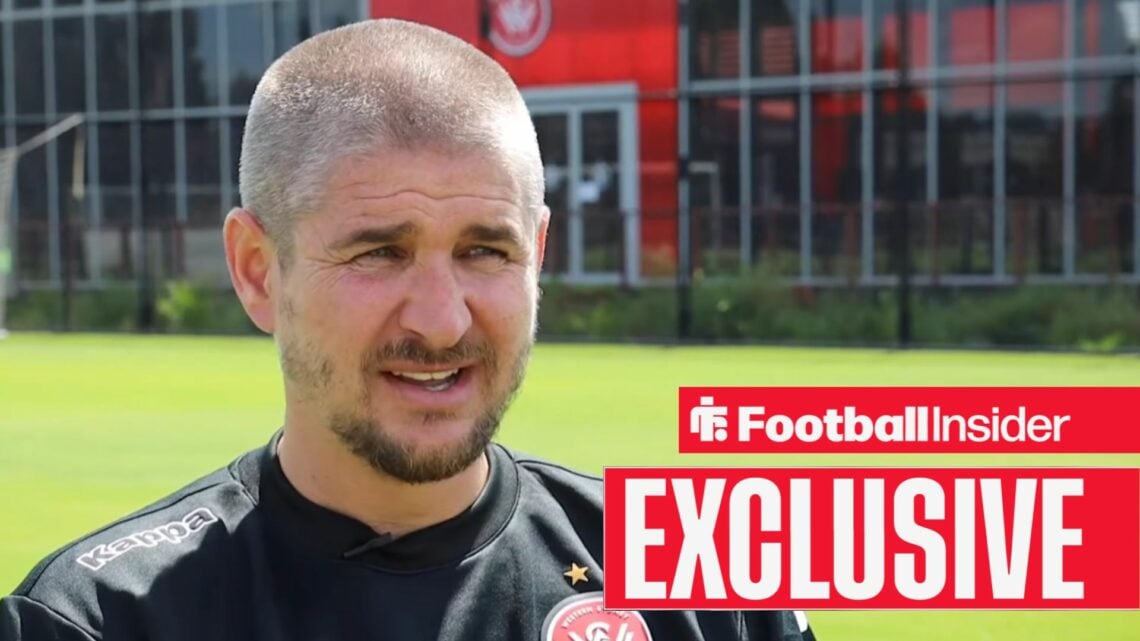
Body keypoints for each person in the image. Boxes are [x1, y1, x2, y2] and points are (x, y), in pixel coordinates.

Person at [0, 19, 816, 641]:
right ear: (257, 269)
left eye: (484, 251)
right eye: (379, 252)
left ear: (535, 255)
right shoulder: (97, 617)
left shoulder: (712, 588)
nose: (441, 318)